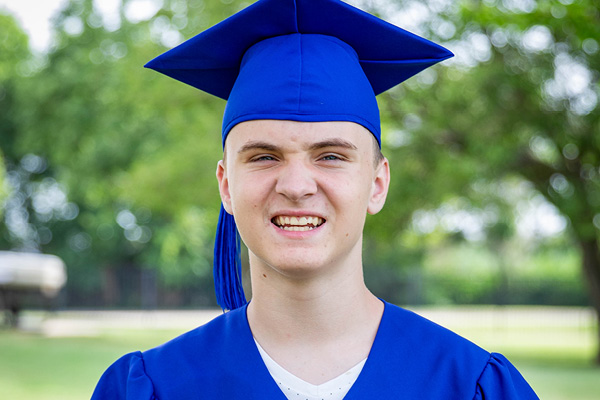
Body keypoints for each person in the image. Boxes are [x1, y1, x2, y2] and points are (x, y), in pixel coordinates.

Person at [92, 0, 540, 398]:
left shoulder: (468, 385)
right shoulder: (154, 387)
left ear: (377, 184)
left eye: (330, 156)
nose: (297, 185)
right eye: (265, 157)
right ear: (226, 185)